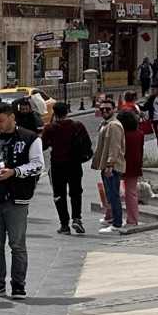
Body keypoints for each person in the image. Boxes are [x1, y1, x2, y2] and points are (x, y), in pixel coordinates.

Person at [0, 99, 43, 298]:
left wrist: (14, 172)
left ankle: (18, 284)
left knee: (17, 244)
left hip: (16, 199)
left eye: (0, 121)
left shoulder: (29, 138)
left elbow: (38, 165)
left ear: (12, 117)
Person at [40, 100, 92, 237]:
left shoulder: (50, 128)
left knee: (59, 195)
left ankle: (64, 224)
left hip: (58, 165)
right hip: (74, 164)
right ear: (67, 111)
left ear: (54, 113)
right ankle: (77, 218)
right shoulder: (77, 125)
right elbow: (87, 144)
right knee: (76, 192)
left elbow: (43, 146)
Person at [92, 101, 128, 233]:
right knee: (110, 194)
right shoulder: (107, 124)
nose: (104, 111)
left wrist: (110, 165)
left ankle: (117, 223)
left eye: (108, 109)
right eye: (102, 109)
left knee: (113, 195)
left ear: (114, 109)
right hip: (106, 164)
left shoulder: (114, 126)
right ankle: (113, 219)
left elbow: (115, 147)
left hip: (111, 166)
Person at [120, 103, 146, 228]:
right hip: (135, 164)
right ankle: (133, 219)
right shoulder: (139, 134)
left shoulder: (122, 135)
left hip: (121, 164)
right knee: (131, 192)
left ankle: (114, 217)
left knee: (116, 192)